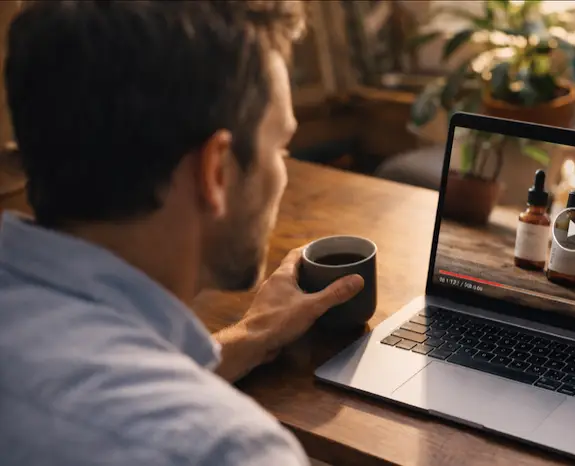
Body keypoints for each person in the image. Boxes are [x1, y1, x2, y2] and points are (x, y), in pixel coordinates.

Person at [0, 1, 364, 464]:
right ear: (216, 172)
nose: (282, 170)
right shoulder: (226, 449)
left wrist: (251, 336)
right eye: (281, 147)